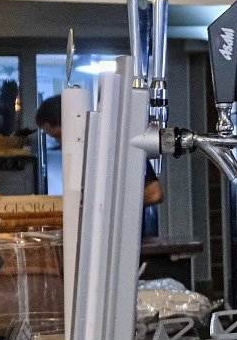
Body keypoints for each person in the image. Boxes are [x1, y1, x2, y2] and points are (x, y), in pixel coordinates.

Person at [36, 94, 164, 236]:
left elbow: (154, 193)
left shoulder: (117, 146)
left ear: (71, 123)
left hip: (128, 239)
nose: (60, 143)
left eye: (58, 135)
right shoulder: (81, 157)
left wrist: (107, 207)